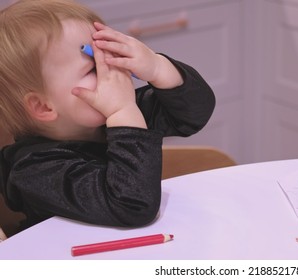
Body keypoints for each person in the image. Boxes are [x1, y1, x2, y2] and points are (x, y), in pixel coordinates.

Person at [0, 0, 215, 235]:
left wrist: (157, 67)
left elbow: (193, 113)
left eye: (110, 54)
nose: (112, 68)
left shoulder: (109, 115)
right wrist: (122, 111)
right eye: (94, 68)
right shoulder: (34, 171)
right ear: (43, 106)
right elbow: (132, 206)